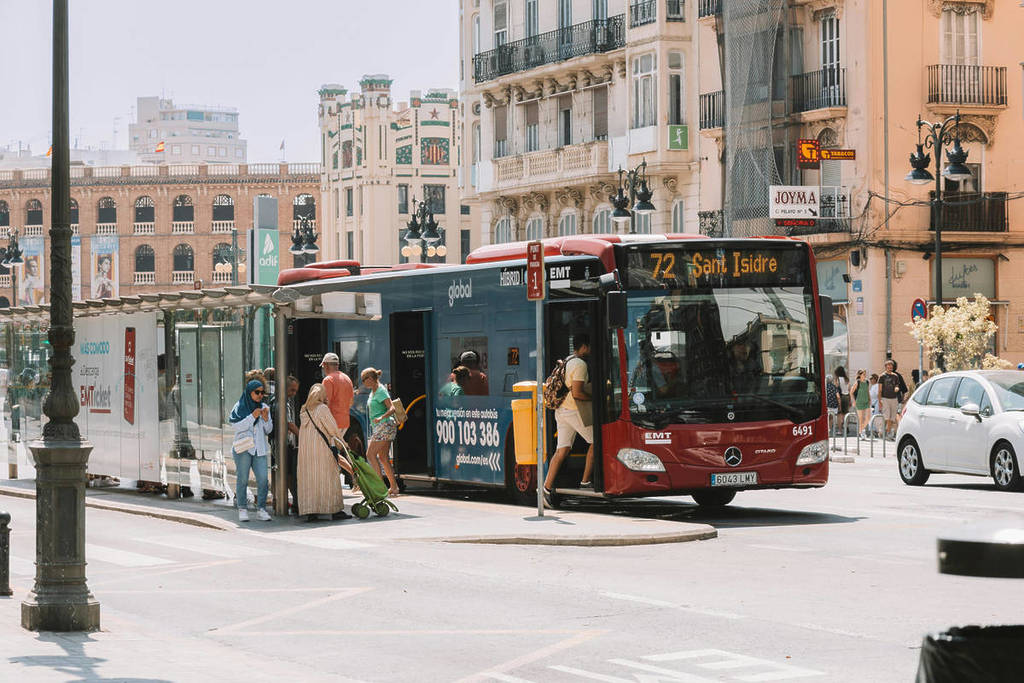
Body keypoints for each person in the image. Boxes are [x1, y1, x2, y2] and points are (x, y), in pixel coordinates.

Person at [543, 334, 594, 504]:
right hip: (573, 411)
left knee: (562, 450)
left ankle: (546, 489)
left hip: (561, 410)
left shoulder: (568, 360)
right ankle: (585, 482)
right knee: (597, 442)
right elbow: (577, 393)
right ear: (585, 347)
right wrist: (596, 399)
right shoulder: (580, 364)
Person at [298, 383, 351, 522]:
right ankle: (335, 510)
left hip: (306, 452)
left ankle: (311, 511)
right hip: (322, 449)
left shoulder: (304, 410)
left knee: (310, 480)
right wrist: (343, 443)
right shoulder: (322, 409)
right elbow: (332, 429)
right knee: (329, 478)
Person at [229, 379, 273, 522]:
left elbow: (268, 430)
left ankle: (261, 508)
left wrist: (265, 419)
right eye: (257, 392)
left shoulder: (264, 407)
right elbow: (236, 426)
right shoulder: (239, 406)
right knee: (242, 479)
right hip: (243, 449)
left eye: (262, 392)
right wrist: (252, 416)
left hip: (259, 449)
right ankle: (242, 508)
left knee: (263, 480)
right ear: (249, 392)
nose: (260, 395)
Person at [361, 367, 400, 496]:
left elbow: (392, 408)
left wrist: (381, 417)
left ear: (371, 379)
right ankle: (393, 487)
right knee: (383, 457)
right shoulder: (374, 391)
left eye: (364, 379)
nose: (363, 382)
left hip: (384, 425)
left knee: (370, 454)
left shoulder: (381, 391)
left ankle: (380, 487)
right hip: (382, 427)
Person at [320, 352, 354, 433]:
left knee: (329, 445)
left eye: (323, 366)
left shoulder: (328, 380)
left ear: (325, 365)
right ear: (337, 365)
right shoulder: (347, 378)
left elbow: (325, 404)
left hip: (332, 423)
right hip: (344, 423)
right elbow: (351, 402)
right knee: (338, 445)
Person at [284, 375, 301, 514]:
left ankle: (292, 501)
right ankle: (293, 502)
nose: (294, 393)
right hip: (283, 444)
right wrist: (302, 436)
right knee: (289, 473)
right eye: (292, 390)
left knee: (289, 473)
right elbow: (289, 424)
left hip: (286, 442)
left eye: (296, 391)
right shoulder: (283, 403)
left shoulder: (287, 402)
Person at [878, 360, 906, 439]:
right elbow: (879, 390)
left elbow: (897, 386)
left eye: (891, 366)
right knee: (887, 417)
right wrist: (880, 401)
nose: (890, 368)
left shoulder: (895, 376)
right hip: (885, 398)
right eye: (888, 366)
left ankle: (884, 431)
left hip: (894, 399)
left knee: (892, 417)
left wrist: (896, 388)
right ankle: (887, 432)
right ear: (886, 367)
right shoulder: (882, 376)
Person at [852, 369, 871, 438]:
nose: (865, 376)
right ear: (860, 375)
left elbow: (868, 391)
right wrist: (854, 401)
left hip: (866, 402)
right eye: (863, 374)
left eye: (865, 374)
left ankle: (861, 430)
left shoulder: (867, 382)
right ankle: (862, 432)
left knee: (868, 418)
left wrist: (870, 399)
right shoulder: (857, 382)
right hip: (859, 402)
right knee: (861, 419)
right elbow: (851, 392)